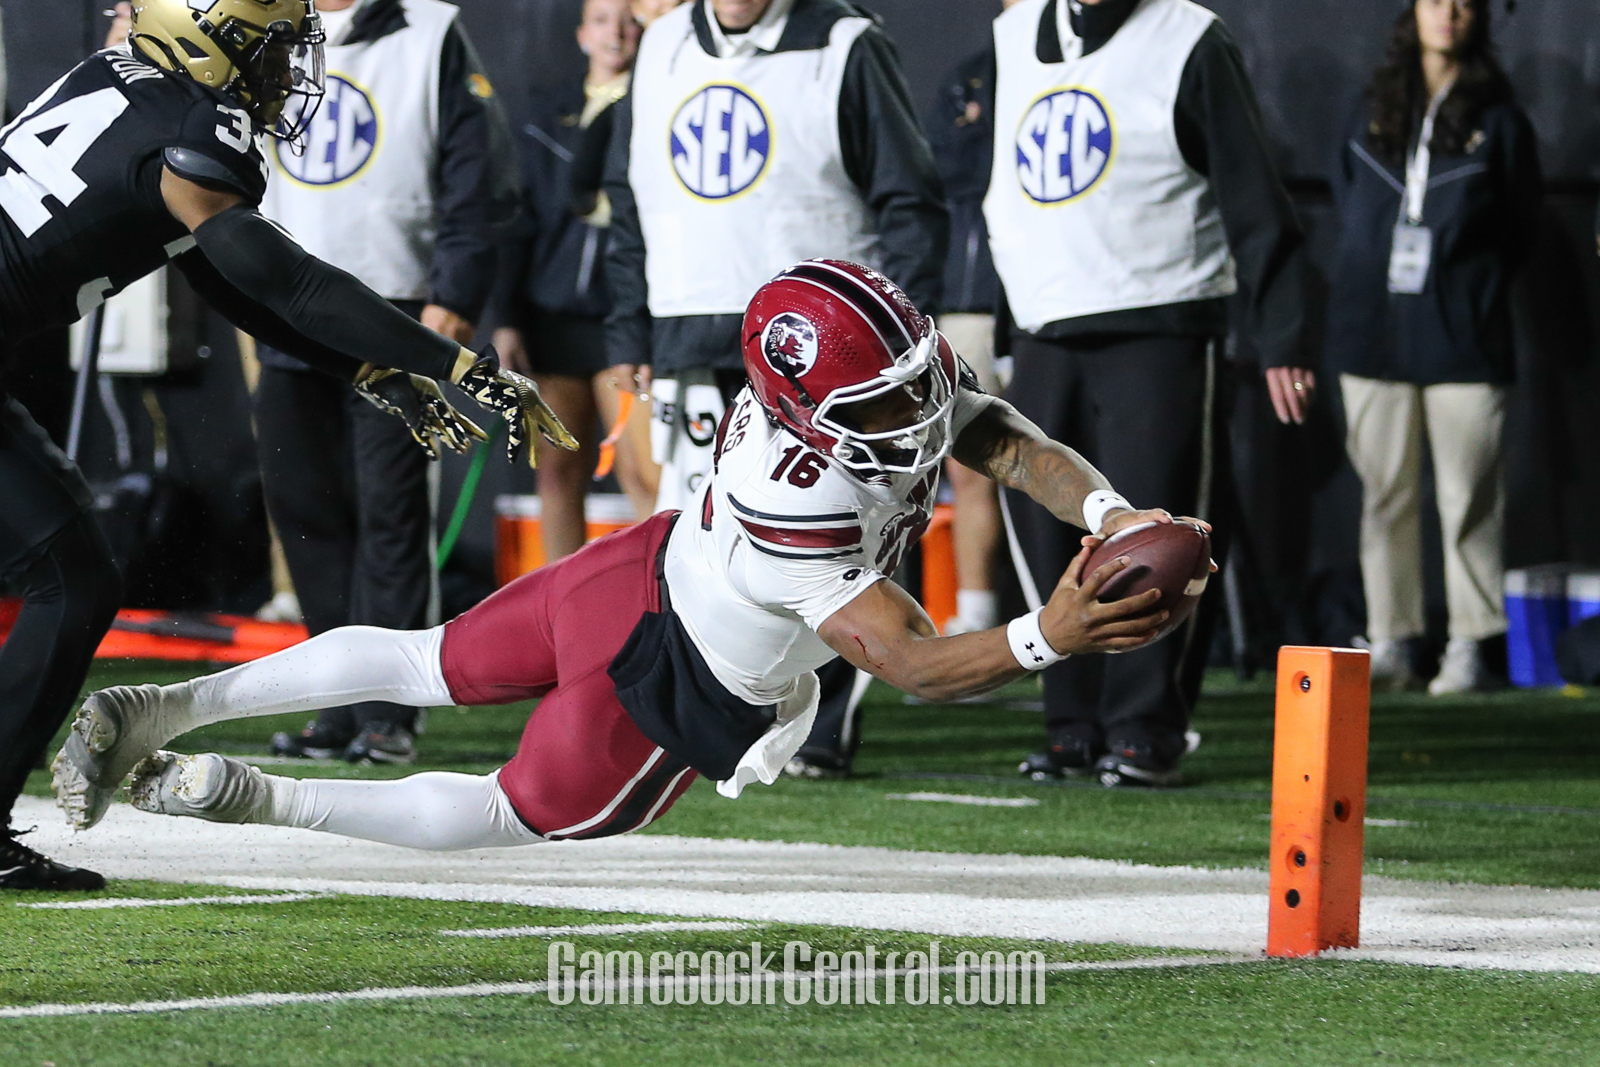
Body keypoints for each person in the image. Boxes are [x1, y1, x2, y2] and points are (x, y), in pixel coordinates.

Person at [55, 261, 1202, 854]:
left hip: (636, 565)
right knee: (529, 814)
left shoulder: (864, 383)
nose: (915, 402)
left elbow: (992, 432)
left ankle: (171, 702)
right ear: (809, 413)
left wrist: (1102, 506)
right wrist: (1049, 634)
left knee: (423, 657)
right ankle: (260, 795)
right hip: (671, 675)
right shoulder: (797, 497)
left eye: (910, 375)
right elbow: (908, 662)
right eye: (885, 393)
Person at [0, 0, 569, 890]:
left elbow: (227, 279)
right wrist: (451, 360)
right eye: (268, 50)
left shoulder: (117, 80)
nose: (285, 73)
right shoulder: (197, 119)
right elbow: (286, 277)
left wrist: (366, 371)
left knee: (73, 570)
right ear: (207, 39)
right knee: (70, 573)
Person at [604, 0, 949, 776]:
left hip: (826, 358)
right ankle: (707, 720)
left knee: (836, 539)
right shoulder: (659, 44)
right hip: (691, 326)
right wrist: (630, 327)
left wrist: (902, 341)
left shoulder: (847, 43)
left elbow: (910, 197)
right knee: (697, 539)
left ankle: (822, 726)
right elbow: (628, 196)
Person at [986, 0, 1314, 787]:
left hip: (1157, 318)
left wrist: (1281, 333)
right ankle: (1071, 721)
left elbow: (1252, 189)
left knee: (1155, 531)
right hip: (1042, 327)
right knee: (1046, 536)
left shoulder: (1188, 36)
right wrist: (1003, 327)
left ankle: (1145, 725)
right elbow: (1005, 191)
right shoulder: (1013, 33)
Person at [254, 0, 519, 766]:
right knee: (305, 513)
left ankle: (388, 709)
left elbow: (480, 176)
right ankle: (331, 704)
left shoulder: (431, 30)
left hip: (395, 309)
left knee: (391, 515)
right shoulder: (260, 22)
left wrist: (457, 296)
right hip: (282, 309)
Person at [1327, 0, 1540, 694]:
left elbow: (1521, 227)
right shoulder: (1371, 111)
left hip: (1463, 336)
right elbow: (1345, 199)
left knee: (1467, 497)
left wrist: (1466, 286)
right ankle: (1392, 637)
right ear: (1409, 12)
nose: (1449, 12)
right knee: (1384, 496)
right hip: (1373, 335)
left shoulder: (1500, 121)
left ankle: (1469, 645)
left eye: (1464, 2)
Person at [489, 0, 654, 554]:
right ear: (583, 33)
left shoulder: (660, 102)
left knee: (643, 474)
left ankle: (671, 614)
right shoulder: (544, 116)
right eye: (605, 20)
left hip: (624, 321)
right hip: (551, 320)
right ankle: (556, 618)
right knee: (556, 473)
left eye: (630, 20)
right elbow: (515, 219)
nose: (618, 32)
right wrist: (507, 318)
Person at [923, 0, 1025, 636]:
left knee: (1066, 462)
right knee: (971, 461)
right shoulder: (972, 75)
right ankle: (979, 615)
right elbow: (946, 174)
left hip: (1050, 306)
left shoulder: (1092, 68)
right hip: (968, 300)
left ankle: (1085, 621)